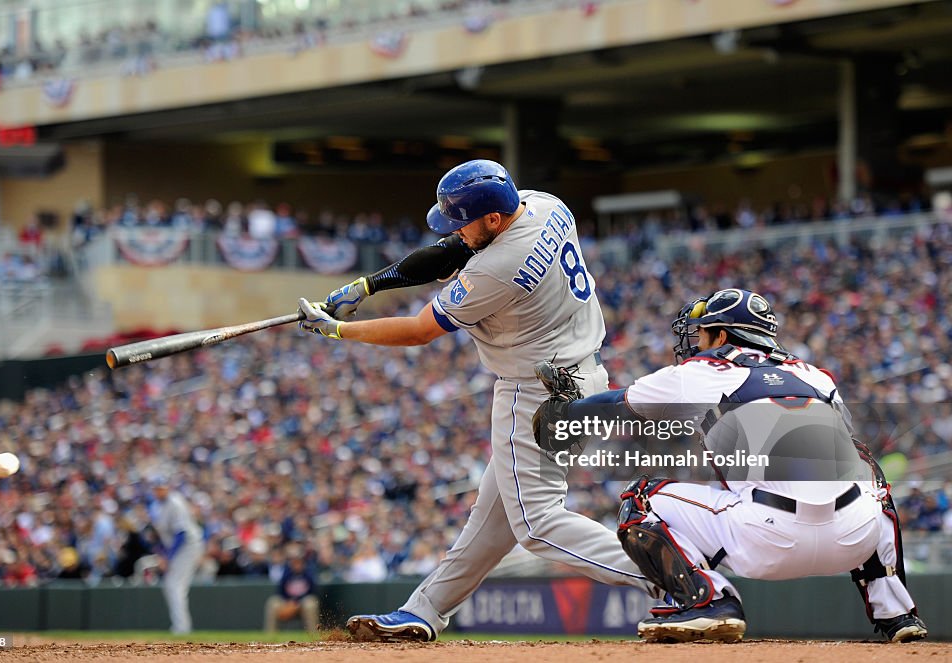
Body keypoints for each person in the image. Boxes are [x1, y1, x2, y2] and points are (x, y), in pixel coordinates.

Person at [296, 159, 657, 642]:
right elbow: (450, 250)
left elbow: (421, 329)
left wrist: (339, 330)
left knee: (537, 523)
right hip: (582, 379)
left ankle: (673, 578)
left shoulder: (499, 266)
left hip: (536, 394)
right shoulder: (545, 205)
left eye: (463, 219)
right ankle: (424, 610)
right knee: (496, 519)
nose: (456, 230)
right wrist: (370, 285)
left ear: (492, 219)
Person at [533, 288, 928, 643]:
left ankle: (709, 600)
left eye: (702, 332)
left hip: (767, 542)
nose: (696, 341)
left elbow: (612, 407)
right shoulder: (816, 376)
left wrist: (565, 410)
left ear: (721, 336)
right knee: (870, 480)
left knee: (641, 499)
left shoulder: (699, 373)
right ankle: (897, 612)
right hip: (852, 539)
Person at [149, 478, 204, 635]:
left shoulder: (176, 503)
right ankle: (180, 627)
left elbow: (181, 534)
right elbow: (159, 535)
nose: (159, 491)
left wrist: (168, 557)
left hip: (188, 546)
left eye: (162, 488)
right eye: (156, 488)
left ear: (168, 488)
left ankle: (182, 629)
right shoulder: (155, 506)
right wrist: (161, 554)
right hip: (174, 548)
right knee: (171, 586)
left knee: (174, 585)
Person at [264, 546, 320, 633]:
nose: (296, 564)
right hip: (288, 601)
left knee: (310, 603)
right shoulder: (286, 573)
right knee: (273, 602)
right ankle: (270, 636)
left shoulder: (308, 572)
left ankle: (314, 634)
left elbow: (313, 591)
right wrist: (288, 602)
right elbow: (280, 591)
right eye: (294, 562)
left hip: (303, 602)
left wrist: (297, 602)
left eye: (298, 561)